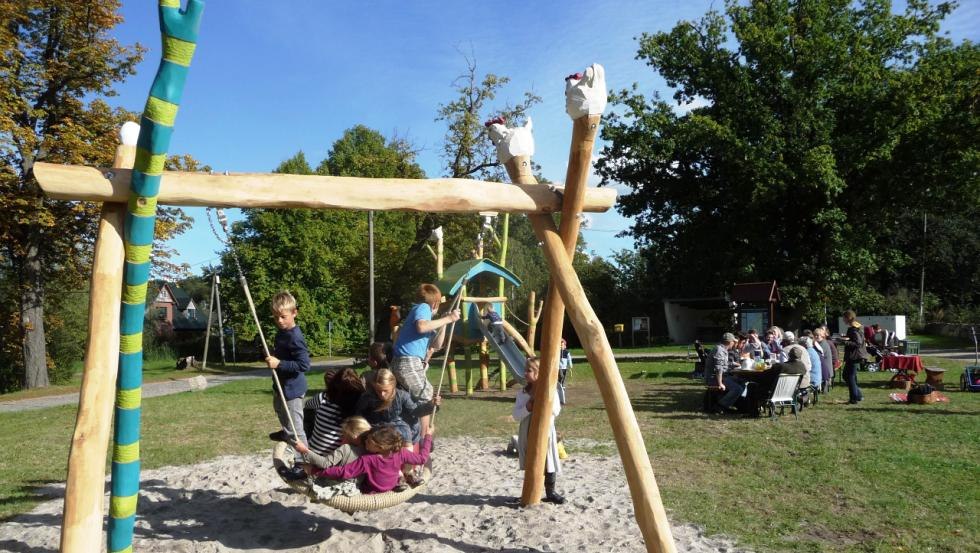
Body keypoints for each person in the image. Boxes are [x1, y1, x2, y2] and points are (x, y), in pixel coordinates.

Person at [391, 284, 459, 436]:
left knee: (414, 398)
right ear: (435, 303)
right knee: (425, 393)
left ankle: (414, 433)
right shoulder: (423, 308)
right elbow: (422, 327)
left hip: (406, 361)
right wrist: (448, 318)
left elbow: (437, 344)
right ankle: (424, 437)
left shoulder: (423, 317)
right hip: (407, 361)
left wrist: (445, 322)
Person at [309, 424, 435, 494]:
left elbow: (344, 472)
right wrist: (428, 436)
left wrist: (316, 471)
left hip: (371, 490)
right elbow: (422, 458)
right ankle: (404, 477)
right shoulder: (400, 452)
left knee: (354, 476)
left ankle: (404, 477)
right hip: (390, 485)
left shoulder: (368, 460)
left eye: (369, 441)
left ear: (380, 447)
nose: (366, 442)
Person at [266, 291, 310, 463]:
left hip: (293, 390)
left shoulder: (295, 337)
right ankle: (286, 432)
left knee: (296, 430)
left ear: (294, 313)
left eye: (283, 317)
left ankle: (303, 462)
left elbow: (304, 365)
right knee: (278, 407)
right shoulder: (281, 333)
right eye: (276, 317)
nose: (279, 321)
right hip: (281, 387)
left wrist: (279, 364)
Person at [513, 357, 565, 504]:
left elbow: (556, 410)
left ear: (538, 372)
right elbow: (516, 415)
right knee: (531, 461)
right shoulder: (523, 393)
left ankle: (550, 492)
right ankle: (528, 492)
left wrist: (543, 404)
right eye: (525, 369)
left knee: (549, 461)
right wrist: (528, 408)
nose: (525, 373)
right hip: (527, 432)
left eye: (528, 370)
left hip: (546, 432)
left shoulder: (550, 390)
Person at [355, 368, 439, 446]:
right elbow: (359, 415)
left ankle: (414, 450)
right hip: (377, 429)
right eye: (378, 390)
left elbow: (416, 412)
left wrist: (431, 405)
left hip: (399, 429)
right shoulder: (367, 397)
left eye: (385, 390)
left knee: (408, 429)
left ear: (393, 386)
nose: (382, 394)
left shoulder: (402, 396)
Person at [290, 416, 371, 494]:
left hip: (337, 484)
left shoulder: (346, 448)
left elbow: (325, 463)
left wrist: (305, 451)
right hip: (356, 486)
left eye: (344, 435)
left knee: (305, 469)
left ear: (354, 437)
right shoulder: (369, 451)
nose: (341, 437)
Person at [305, 368, 365, 456]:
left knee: (308, 412)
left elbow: (307, 404)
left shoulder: (323, 397)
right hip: (337, 456)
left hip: (314, 451)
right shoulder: (359, 405)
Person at [708, 332, 745, 413]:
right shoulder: (719, 350)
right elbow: (719, 368)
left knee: (742, 382)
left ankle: (738, 404)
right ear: (729, 342)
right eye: (733, 342)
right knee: (737, 389)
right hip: (714, 378)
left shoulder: (723, 350)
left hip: (723, 376)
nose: (734, 343)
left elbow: (725, 364)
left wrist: (733, 365)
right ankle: (720, 406)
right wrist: (720, 383)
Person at [841, 310, 866, 404]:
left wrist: (844, 342)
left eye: (844, 317)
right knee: (850, 376)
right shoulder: (857, 326)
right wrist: (846, 338)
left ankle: (854, 398)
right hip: (856, 355)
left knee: (849, 376)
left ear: (848, 317)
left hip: (854, 356)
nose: (843, 319)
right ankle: (858, 395)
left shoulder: (853, 328)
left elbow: (857, 342)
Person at [814, 328, 834, 392]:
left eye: (818, 335)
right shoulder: (819, 343)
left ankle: (823, 387)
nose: (816, 337)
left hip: (826, 367)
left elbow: (818, 355)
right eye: (815, 335)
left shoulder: (823, 344)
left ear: (822, 336)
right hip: (824, 365)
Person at [556, 338, 573, 405]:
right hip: (559, 367)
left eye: (562, 345)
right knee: (561, 376)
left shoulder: (567, 352)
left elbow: (569, 359)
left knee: (563, 377)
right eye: (560, 345)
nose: (561, 346)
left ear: (565, 346)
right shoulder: (557, 352)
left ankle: (561, 385)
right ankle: (560, 385)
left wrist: (570, 366)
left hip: (564, 367)